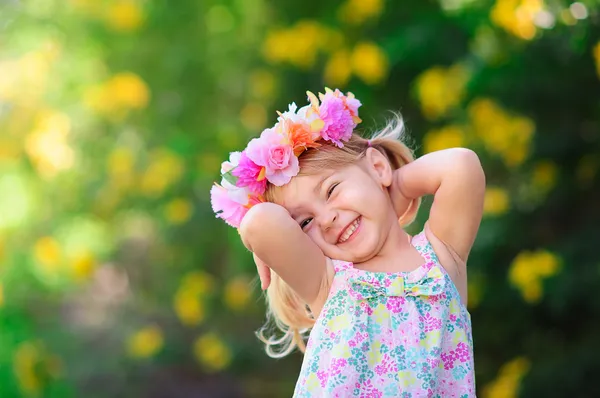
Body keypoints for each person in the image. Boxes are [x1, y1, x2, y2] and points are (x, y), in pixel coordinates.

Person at [210, 88, 485, 397]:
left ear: (377, 167)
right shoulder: (327, 281)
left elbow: (461, 166)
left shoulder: (441, 257)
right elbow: (259, 224)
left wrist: (393, 183)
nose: (326, 219)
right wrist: (259, 228)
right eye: (304, 222)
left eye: (331, 190)